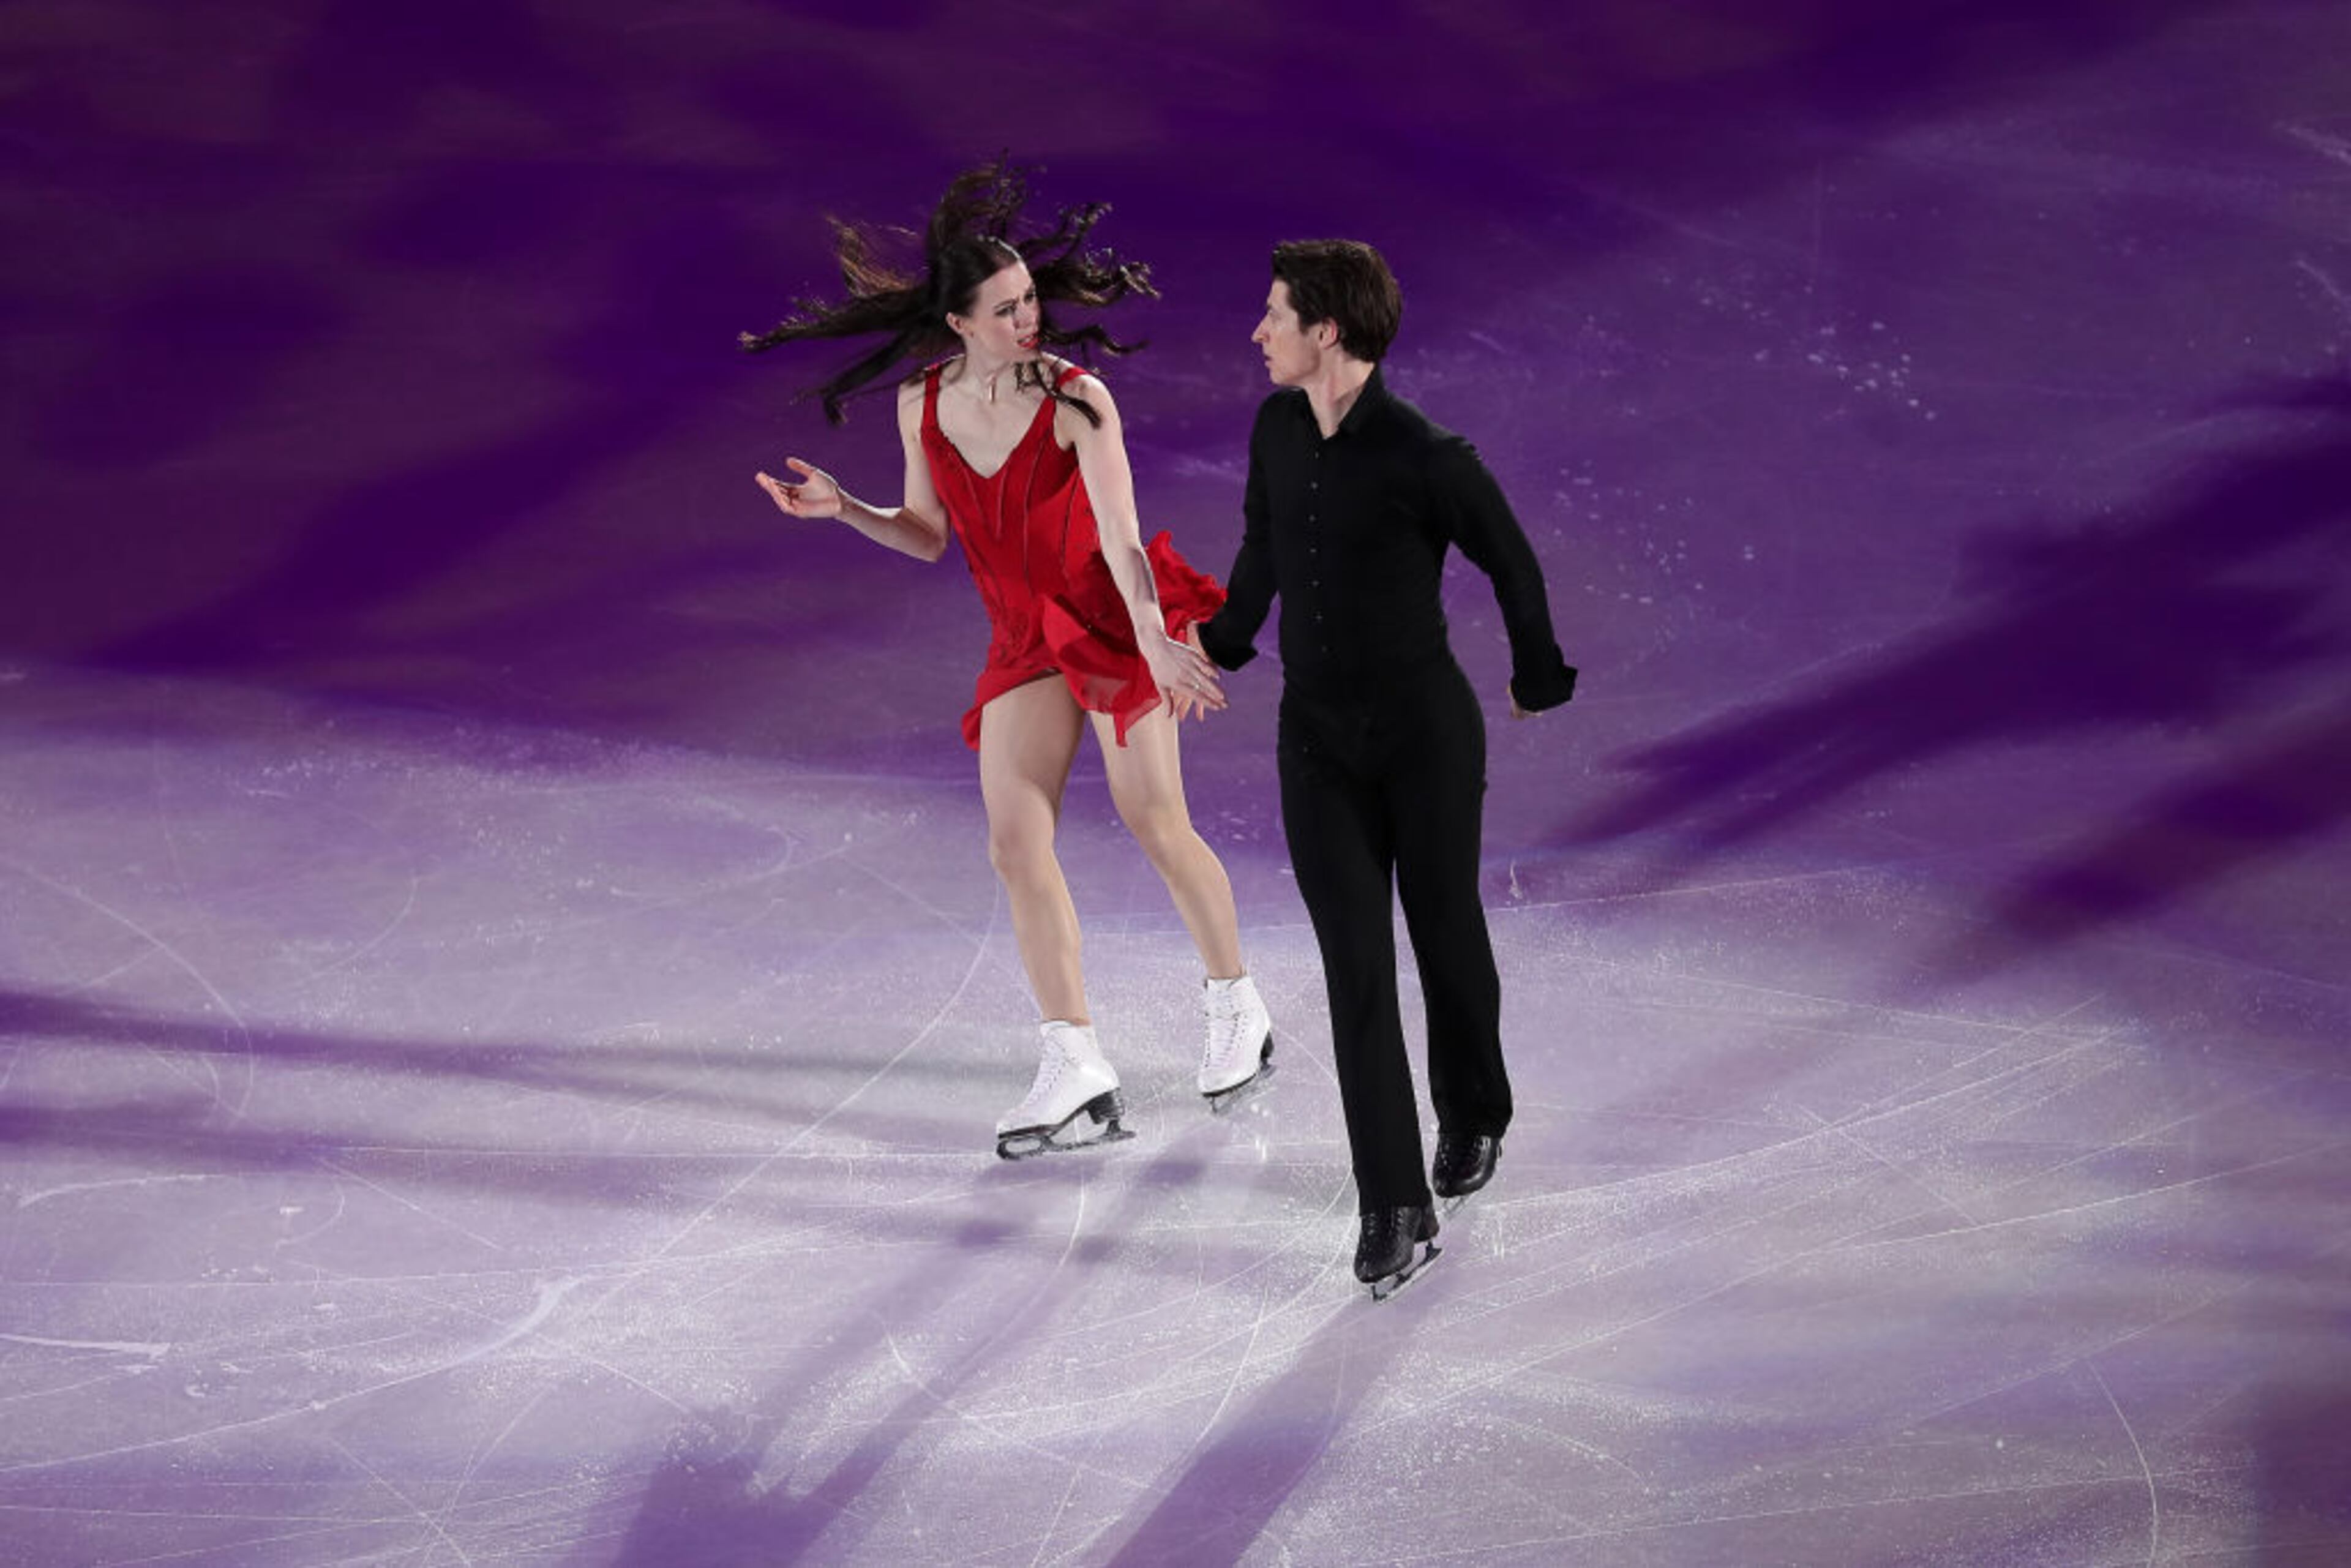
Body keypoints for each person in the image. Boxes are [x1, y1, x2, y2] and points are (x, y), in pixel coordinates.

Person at [741, 161, 1275, 1159]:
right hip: (1023, 640)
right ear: (959, 322)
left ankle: (1236, 1004)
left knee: (1155, 820)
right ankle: (1075, 1060)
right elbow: (928, 534)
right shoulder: (921, 406)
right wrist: (844, 510)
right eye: (1006, 308)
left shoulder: (1079, 399)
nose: (1029, 318)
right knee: (1015, 844)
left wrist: (1158, 637)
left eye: (1032, 299)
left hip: (1114, 618)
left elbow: (1121, 537)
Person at [1198, 239, 1577, 1295]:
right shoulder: (1277, 427)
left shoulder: (1425, 453)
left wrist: (1537, 675)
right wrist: (1220, 642)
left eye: (1276, 315)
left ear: (1327, 331)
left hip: (1425, 735)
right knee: (1356, 966)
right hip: (1316, 738)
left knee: (1445, 929)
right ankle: (1394, 1202)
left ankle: (1475, 1109)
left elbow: (1511, 558)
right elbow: (1263, 547)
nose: (1260, 331)